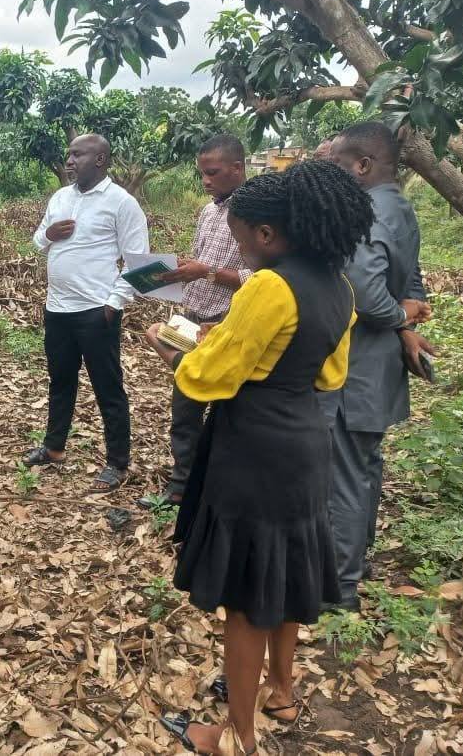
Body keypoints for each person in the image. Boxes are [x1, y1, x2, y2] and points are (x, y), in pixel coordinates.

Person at [144, 162, 374, 756]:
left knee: (247, 595)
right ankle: (282, 690)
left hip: (254, 450)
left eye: (241, 235)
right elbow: (329, 371)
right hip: (304, 442)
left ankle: (234, 735)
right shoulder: (337, 285)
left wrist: (174, 350)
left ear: (268, 235)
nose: (238, 246)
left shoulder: (268, 285)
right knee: (285, 568)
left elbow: (211, 375)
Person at [322, 121, 434, 610]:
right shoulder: (400, 207)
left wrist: (398, 316)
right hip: (378, 370)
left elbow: (367, 297)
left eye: (340, 164)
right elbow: (412, 280)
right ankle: (358, 558)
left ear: (362, 165)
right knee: (364, 467)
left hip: (358, 368)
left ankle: (340, 590)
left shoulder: (366, 212)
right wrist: (407, 313)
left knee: (344, 474)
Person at [23, 133, 150, 494]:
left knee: (108, 386)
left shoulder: (121, 203)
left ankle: (117, 462)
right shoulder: (60, 197)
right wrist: (47, 234)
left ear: (100, 160)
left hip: (96, 311)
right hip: (57, 308)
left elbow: (139, 262)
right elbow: (37, 241)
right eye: (69, 154)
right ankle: (54, 446)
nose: (70, 160)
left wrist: (114, 304)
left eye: (78, 154)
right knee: (60, 380)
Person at [156, 135, 250, 504]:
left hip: (228, 321)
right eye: (202, 174)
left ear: (237, 168)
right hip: (192, 316)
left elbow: (257, 279)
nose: (205, 181)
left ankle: (220, 489)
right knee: (185, 399)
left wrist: (206, 271)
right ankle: (182, 486)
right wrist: (183, 270)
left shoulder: (258, 213)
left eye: (212, 173)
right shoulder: (209, 211)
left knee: (229, 407)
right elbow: (201, 260)